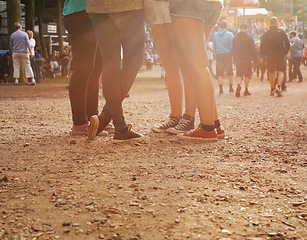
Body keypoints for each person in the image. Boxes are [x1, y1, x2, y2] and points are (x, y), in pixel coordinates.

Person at [87, 0, 145, 143]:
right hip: (128, 6)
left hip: (97, 7)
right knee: (134, 61)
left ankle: (118, 125)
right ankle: (111, 121)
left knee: (110, 63)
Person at [167, 0, 225, 141]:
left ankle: (207, 129)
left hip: (188, 5)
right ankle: (215, 125)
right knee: (197, 62)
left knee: (195, 64)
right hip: (213, 4)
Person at [63, 0, 108, 138]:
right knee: (85, 68)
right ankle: (80, 123)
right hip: (81, 11)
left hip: (96, 12)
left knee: (95, 69)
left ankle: (93, 119)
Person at [260, 17, 290, 97]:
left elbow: (262, 45)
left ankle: (272, 89)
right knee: (281, 71)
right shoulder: (281, 32)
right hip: (280, 55)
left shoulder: (266, 33)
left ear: (270, 23)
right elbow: (287, 44)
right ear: (277, 23)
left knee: (271, 72)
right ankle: (279, 86)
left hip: (270, 56)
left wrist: (264, 54)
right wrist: (284, 52)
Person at [232, 23, 257, 97]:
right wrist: (255, 59)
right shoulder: (249, 37)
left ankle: (239, 85)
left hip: (238, 59)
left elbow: (233, 49)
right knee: (247, 74)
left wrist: (234, 59)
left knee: (239, 74)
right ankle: (246, 90)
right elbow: (253, 49)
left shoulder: (235, 38)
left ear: (240, 28)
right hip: (247, 59)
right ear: (246, 28)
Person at [213, 20, 234, 94]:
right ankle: (231, 88)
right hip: (228, 54)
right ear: (226, 26)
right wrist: (232, 53)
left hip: (219, 54)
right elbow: (232, 45)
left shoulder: (215, 35)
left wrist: (216, 54)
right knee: (229, 71)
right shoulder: (230, 34)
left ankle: (221, 89)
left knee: (219, 72)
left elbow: (214, 46)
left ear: (220, 26)